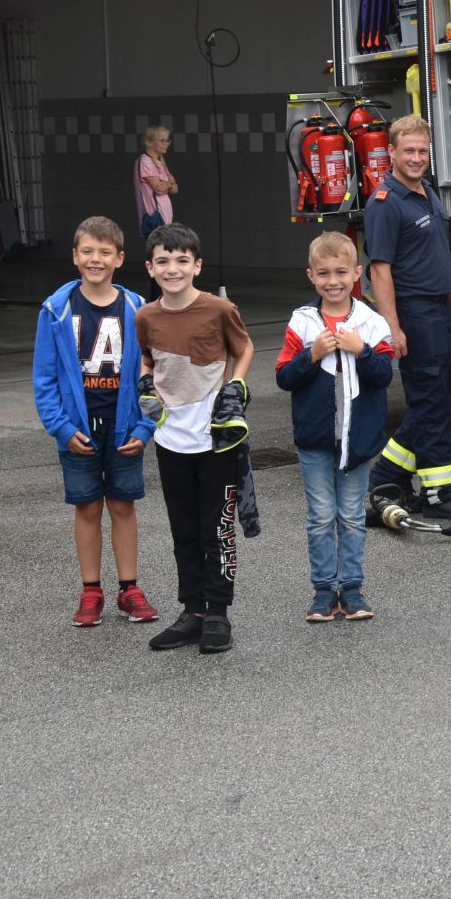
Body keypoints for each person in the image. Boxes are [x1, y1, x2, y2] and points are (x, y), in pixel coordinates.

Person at [32, 215, 159, 627]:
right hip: (78, 430)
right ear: (74, 256)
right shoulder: (55, 310)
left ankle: (130, 589)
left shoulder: (139, 309)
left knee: (122, 505)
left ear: (120, 258)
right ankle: (91, 591)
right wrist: (62, 428)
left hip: (125, 428)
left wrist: (145, 428)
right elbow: (44, 378)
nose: (95, 259)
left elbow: (155, 377)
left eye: (105, 252)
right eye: (87, 251)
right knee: (87, 508)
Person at [136, 222, 256, 654]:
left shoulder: (219, 309)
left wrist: (235, 388)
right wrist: (146, 383)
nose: (173, 269)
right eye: (163, 261)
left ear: (197, 265)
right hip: (171, 440)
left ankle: (219, 611)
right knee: (183, 530)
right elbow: (148, 359)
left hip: (216, 439)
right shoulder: (145, 316)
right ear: (150, 268)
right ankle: (193, 611)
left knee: (217, 528)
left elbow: (243, 349)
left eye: (182, 260)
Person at [363, 115, 451, 521]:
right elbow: (380, 270)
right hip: (414, 312)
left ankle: (386, 474)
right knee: (430, 401)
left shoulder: (427, 193)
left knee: (445, 398)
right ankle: (442, 492)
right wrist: (392, 327)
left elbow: (439, 256)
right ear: (392, 153)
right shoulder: (385, 203)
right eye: (408, 150)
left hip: (439, 309)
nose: (416, 158)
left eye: (422, 151)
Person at [276, 230, 395, 623]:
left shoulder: (371, 322)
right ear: (310, 275)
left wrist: (360, 352)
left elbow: (384, 376)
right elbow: (284, 377)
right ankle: (324, 589)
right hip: (315, 439)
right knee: (321, 516)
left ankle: (353, 587)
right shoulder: (302, 322)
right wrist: (312, 355)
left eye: (341, 272)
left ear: (357, 274)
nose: (333, 281)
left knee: (352, 515)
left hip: (357, 439)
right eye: (324, 273)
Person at [135, 125, 176, 238]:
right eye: (162, 140)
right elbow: (159, 188)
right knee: (158, 249)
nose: (166, 144)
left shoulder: (161, 162)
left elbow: (175, 189)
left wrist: (168, 185)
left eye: (168, 140)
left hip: (165, 215)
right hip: (155, 216)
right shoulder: (146, 161)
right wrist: (169, 184)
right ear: (149, 142)